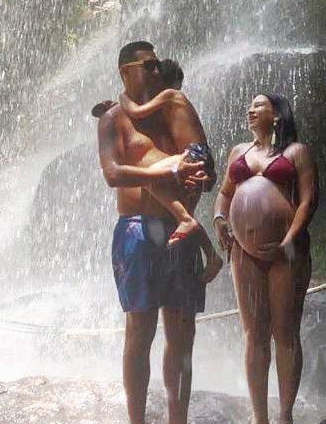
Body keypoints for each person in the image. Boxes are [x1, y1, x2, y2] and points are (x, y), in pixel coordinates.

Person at [97, 41, 213, 424]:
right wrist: (163, 171)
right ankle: (137, 420)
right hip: (136, 230)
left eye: (157, 64)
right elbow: (113, 173)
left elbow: (202, 163)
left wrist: (198, 171)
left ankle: (177, 419)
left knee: (182, 331)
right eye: (148, 65)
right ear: (125, 71)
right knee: (140, 328)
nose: (155, 70)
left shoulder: (173, 109)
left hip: (177, 230)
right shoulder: (113, 118)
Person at [213, 94, 319, 424]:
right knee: (254, 335)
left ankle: (284, 415)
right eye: (249, 105)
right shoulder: (238, 153)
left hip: (286, 253)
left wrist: (289, 240)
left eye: (259, 105)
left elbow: (307, 200)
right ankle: (260, 417)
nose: (250, 110)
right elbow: (225, 193)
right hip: (244, 254)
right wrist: (219, 217)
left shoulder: (296, 152)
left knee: (284, 333)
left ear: (276, 115)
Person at [94, 58, 223, 278]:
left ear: (162, 83)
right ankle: (210, 253)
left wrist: (121, 98)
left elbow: (137, 110)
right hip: (198, 158)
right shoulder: (172, 105)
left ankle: (199, 238)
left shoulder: (170, 96)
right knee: (179, 206)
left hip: (192, 157)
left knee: (147, 171)